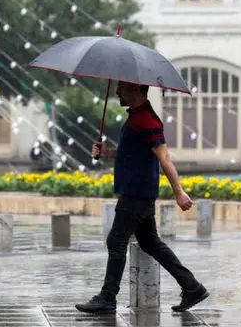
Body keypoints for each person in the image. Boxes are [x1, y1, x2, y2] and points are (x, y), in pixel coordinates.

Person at [75, 81, 209, 314]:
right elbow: (132, 152)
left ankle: (107, 298)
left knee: (116, 241)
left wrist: (179, 192)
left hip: (137, 193)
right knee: (150, 243)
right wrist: (105, 152)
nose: (117, 92)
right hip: (137, 191)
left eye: (121, 88)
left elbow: (163, 156)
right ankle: (192, 287)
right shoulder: (137, 117)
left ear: (135, 90)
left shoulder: (147, 120)